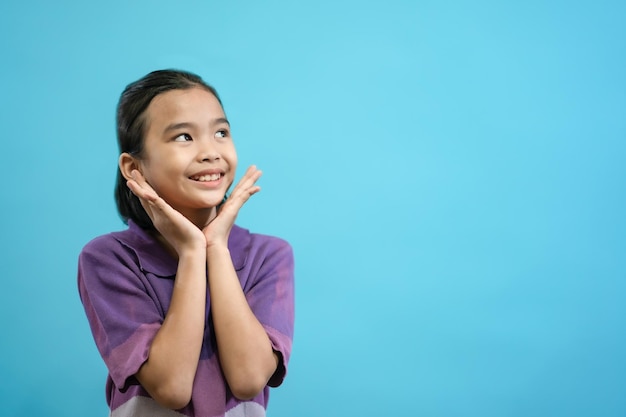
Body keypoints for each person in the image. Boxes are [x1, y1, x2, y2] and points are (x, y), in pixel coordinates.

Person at [77, 69, 295, 417]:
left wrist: (216, 249)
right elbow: (172, 387)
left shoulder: (269, 255)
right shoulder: (109, 259)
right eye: (183, 137)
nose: (210, 151)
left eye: (221, 132)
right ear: (135, 169)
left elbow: (249, 378)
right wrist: (193, 252)